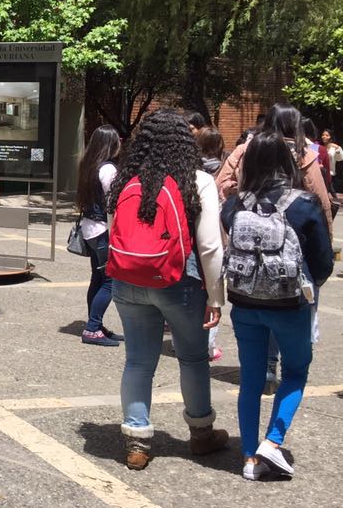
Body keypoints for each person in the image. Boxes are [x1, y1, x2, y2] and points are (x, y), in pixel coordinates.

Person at [108, 110, 228, 470]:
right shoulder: (198, 180)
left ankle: (138, 441)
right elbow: (209, 246)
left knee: (138, 361)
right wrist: (215, 296)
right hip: (181, 282)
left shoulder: (126, 180)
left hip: (128, 280)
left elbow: (116, 233)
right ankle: (201, 433)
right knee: (192, 359)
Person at [221, 132, 332, 479]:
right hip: (290, 304)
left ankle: (248, 456)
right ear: (288, 162)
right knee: (296, 372)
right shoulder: (304, 204)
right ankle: (272, 441)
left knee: (251, 379)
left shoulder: (235, 204)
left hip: (243, 303)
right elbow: (323, 263)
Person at [215, 104, 333, 392]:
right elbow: (322, 199)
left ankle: (265, 368)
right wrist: (325, 243)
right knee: (293, 301)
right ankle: (288, 366)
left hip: (248, 240)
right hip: (297, 241)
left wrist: (239, 201)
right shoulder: (305, 153)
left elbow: (221, 184)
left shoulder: (245, 148)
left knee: (256, 296)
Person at [75, 125, 123, 346]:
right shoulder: (108, 170)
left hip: (89, 229)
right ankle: (93, 328)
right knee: (110, 281)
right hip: (104, 231)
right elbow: (113, 205)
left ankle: (95, 324)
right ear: (110, 144)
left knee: (98, 278)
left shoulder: (88, 166)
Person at [196, 125, 227, 360]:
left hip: (186, 240)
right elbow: (210, 246)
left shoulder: (187, 167)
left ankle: (181, 340)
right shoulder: (219, 171)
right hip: (214, 231)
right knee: (209, 294)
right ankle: (207, 346)